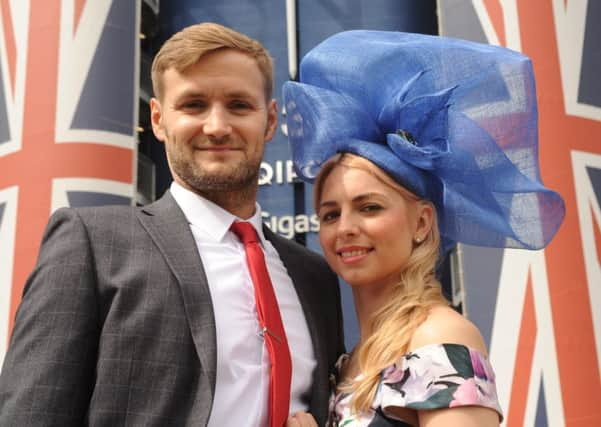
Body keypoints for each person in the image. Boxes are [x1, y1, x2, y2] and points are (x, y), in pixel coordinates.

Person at [0, 23, 344, 426]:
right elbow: (32, 411)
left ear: (269, 122)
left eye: (238, 105)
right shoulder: (91, 243)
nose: (217, 126)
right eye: (194, 105)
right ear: (159, 120)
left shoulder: (314, 276)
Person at [282, 30, 565, 426]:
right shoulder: (351, 360)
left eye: (369, 207)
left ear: (422, 222)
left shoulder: (440, 337)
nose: (346, 227)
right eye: (331, 214)